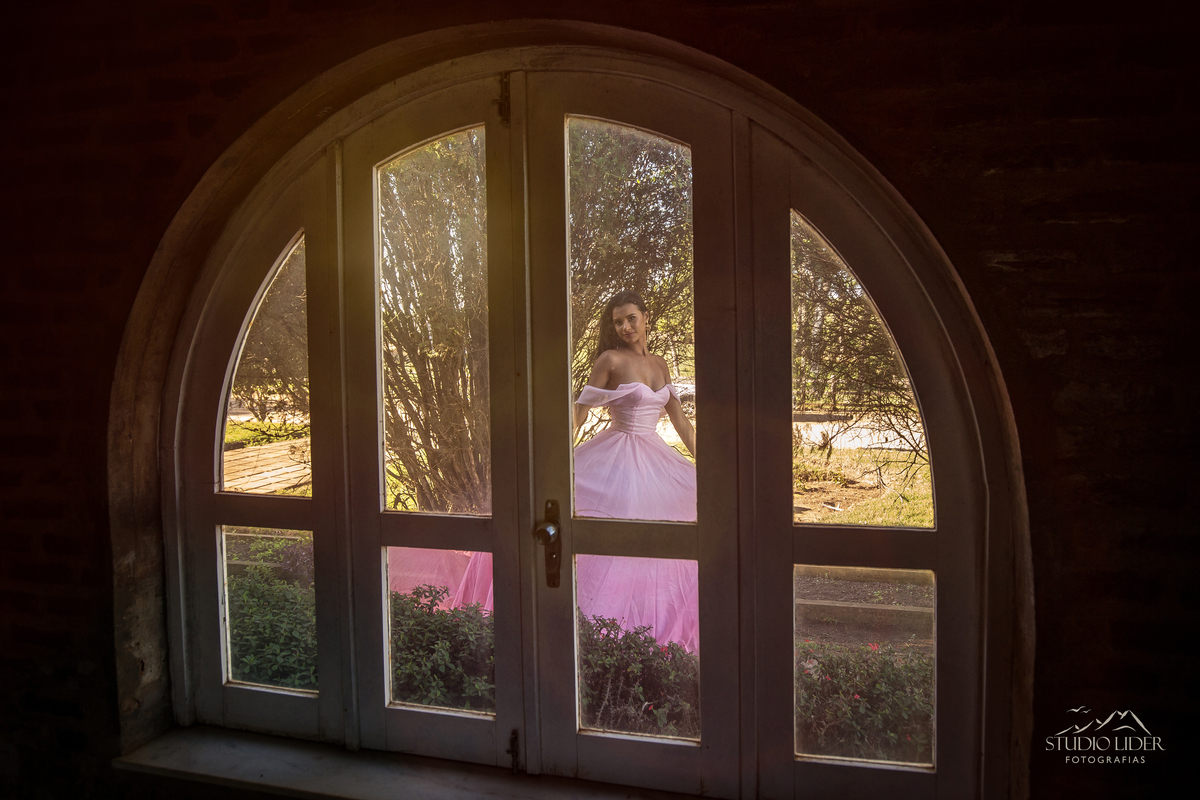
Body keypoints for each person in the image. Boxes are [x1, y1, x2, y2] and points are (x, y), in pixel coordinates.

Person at [388, 290, 700, 652]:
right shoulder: (610, 359)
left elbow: (680, 420)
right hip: (618, 454)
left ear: (645, 317)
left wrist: (708, 465)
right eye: (618, 321)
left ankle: (647, 625)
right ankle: (594, 626)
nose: (626, 326)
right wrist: (552, 456)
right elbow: (579, 413)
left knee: (676, 516)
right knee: (612, 529)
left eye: (631, 318)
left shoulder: (660, 364)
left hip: (655, 458)